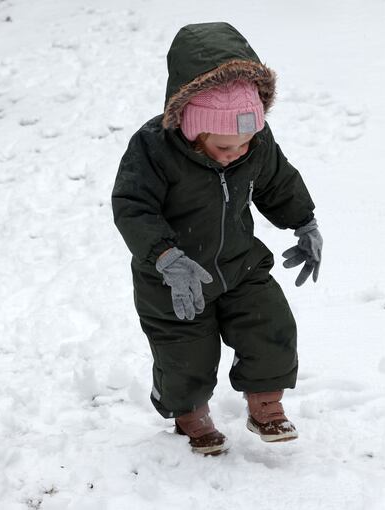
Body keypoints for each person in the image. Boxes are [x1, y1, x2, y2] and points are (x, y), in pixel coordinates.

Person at [112, 22, 322, 456]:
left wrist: (305, 223)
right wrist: (165, 256)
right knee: (185, 355)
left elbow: (277, 183)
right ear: (192, 129)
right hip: (173, 278)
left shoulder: (254, 143)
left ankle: (266, 405)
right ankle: (190, 414)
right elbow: (133, 206)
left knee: (272, 326)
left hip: (239, 265)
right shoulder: (153, 148)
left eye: (245, 144)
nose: (237, 154)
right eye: (224, 147)